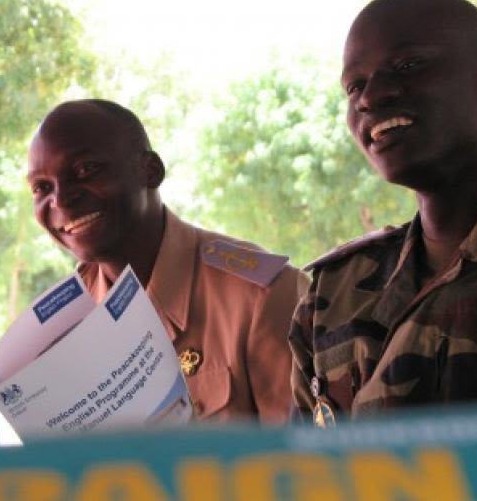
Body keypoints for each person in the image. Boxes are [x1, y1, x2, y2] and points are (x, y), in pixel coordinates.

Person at [289, 0, 477, 425]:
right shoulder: (332, 291)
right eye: (354, 86)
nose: (369, 98)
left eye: (407, 66)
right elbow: (302, 461)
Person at [27, 99, 306, 423]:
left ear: (150, 170)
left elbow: (302, 452)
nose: (61, 199)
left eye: (85, 170)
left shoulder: (262, 296)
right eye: (42, 187)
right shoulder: (64, 325)